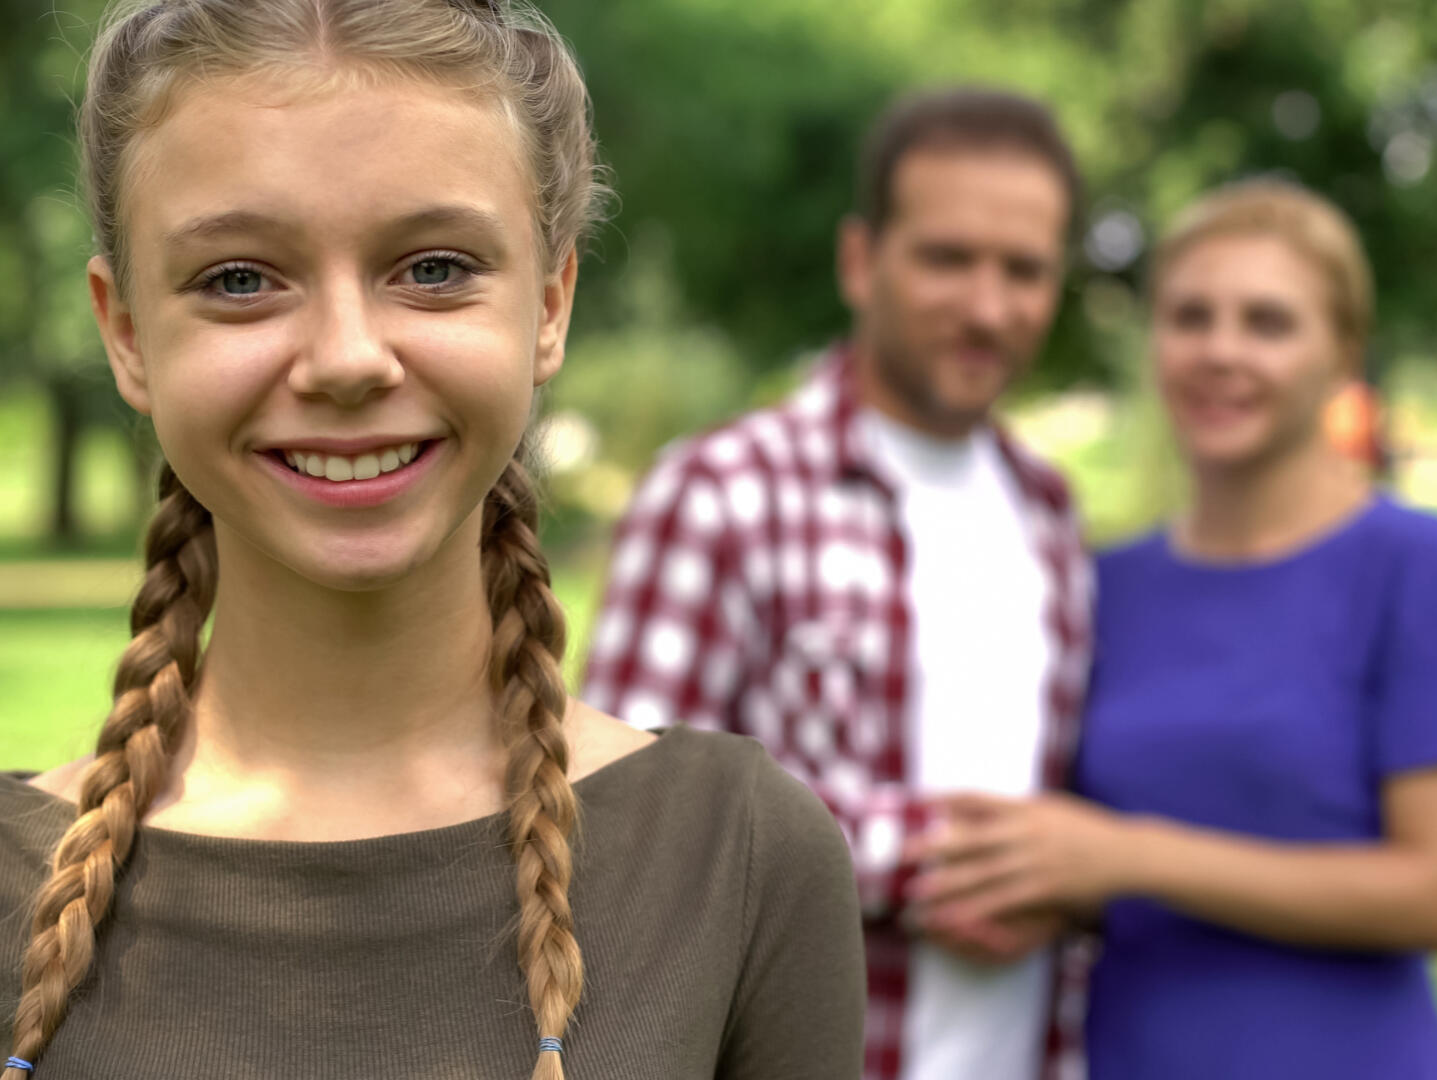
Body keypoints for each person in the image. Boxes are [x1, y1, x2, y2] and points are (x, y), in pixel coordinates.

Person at [0, 3, 866, 1078]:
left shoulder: (731, 857)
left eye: (435, 268)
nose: (348, 357)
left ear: (550, 303)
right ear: (125, 331)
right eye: (239, 279)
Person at [904, 179, 1437, 1080]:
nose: (1221, 352)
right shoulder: (1103, 581)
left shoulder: (1422, 566)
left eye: (1268, 323)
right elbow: (1085, 869)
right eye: (1190, 318)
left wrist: (1132, 856)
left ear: (1343, 352)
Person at [583, 88, 1093, 1080]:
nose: (987, 307)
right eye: (948, 258)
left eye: (1022, 270)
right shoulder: (722, 493)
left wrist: (1083, 870)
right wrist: (954, 860)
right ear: (860, 260)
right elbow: (624, 817)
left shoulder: (1051, 514)